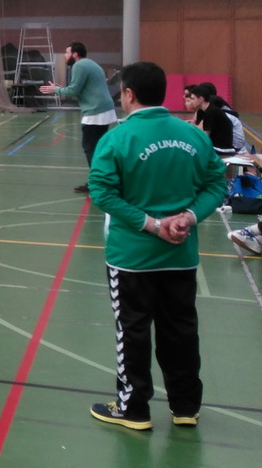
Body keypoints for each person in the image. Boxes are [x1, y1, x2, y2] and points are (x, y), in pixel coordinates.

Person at [86, 61, 226, 431]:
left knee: (132, 331)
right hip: (180, 257)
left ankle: (133, 409)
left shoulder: (116, 139)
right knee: (180, 329)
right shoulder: (193, 136)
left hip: (131, 259)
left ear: (129, 94)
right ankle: (185, 407)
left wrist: (151, 225)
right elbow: (217, 184)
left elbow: (102, 192)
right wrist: (189, 217)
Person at [39, 42, 117, 194]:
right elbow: (78, 89)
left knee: (90, 148)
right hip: (104, 110)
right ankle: (101, 181)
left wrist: (56, 90)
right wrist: (61, 88)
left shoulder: (79, 65)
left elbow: (73, 91)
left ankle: (97, 183)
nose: (65, 55)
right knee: (98, 148)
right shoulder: (90, 64)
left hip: (96, 112)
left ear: (75, 54)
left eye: (67, 52)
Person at [184, 84, 237, 157]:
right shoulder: (205, 111)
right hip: (216, 146)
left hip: (222, 149)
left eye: (193, 99)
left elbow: (204, 137)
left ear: (201, 99)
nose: (192, 102)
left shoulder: (211, 112)